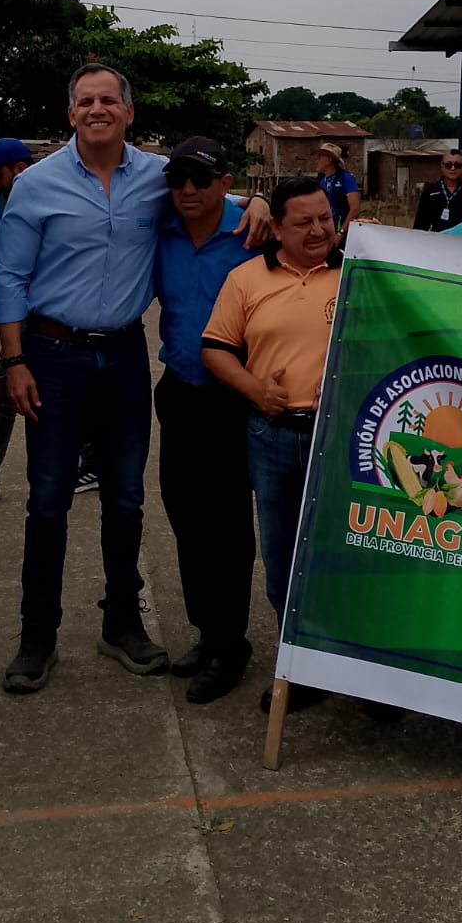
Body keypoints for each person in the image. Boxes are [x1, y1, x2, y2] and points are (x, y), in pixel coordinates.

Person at [0, 63, 269, 694]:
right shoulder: (36, 184)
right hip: (53, 353)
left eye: (108, 100)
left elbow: (216, 200)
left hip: (122, 356)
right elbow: (8, 275)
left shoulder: (157, 177)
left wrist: (259, 201)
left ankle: (122, 622)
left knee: (125, 497)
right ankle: (37, 636)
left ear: (128, 112)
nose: (97, 109)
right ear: (71, 113)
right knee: (48, 498)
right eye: (85, 100)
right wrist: (14, 361)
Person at [202, 176, 341, 713]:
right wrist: (256, 389)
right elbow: (216, 348)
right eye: (303, 222)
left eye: (325, 218)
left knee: (346, 553)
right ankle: (301, 665)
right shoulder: (246, 278)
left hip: (343, 437)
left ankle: (359, 668)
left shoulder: (360, 271)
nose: (318, 230)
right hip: (274, 435)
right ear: (277, 229)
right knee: (284, 558)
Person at [154, 137, 260, 705]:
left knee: (227, 524)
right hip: (180, 392)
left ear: (225, 183)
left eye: (200, 179)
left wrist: (260, 204)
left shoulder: (253, 233)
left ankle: (231, 643)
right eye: (178, 180)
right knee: (185, 516)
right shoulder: (161, 230)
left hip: (233, 396)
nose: (188, 190)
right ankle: (208, 630)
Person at [0, 137, 98, 504]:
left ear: (18, 169)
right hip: (19, 312)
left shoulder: (43, 194)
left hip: (40, 313)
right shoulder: (0, 197)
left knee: (9, 393)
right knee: (37, 391)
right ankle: (90, 459)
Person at [413, 149, 462, 232]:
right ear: (442, 166)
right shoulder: (429, 193)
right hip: (436, 238)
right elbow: (420, 226)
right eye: (448, 165)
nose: (453, 168)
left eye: (457, 165)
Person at [316, 142, 361, 230]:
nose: (317, 160)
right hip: (325, 230)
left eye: (320, 157)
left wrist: (341, 232)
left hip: (341, 230)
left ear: (329, 159)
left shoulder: (346, 178)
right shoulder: (320, 181)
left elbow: (355, 209)